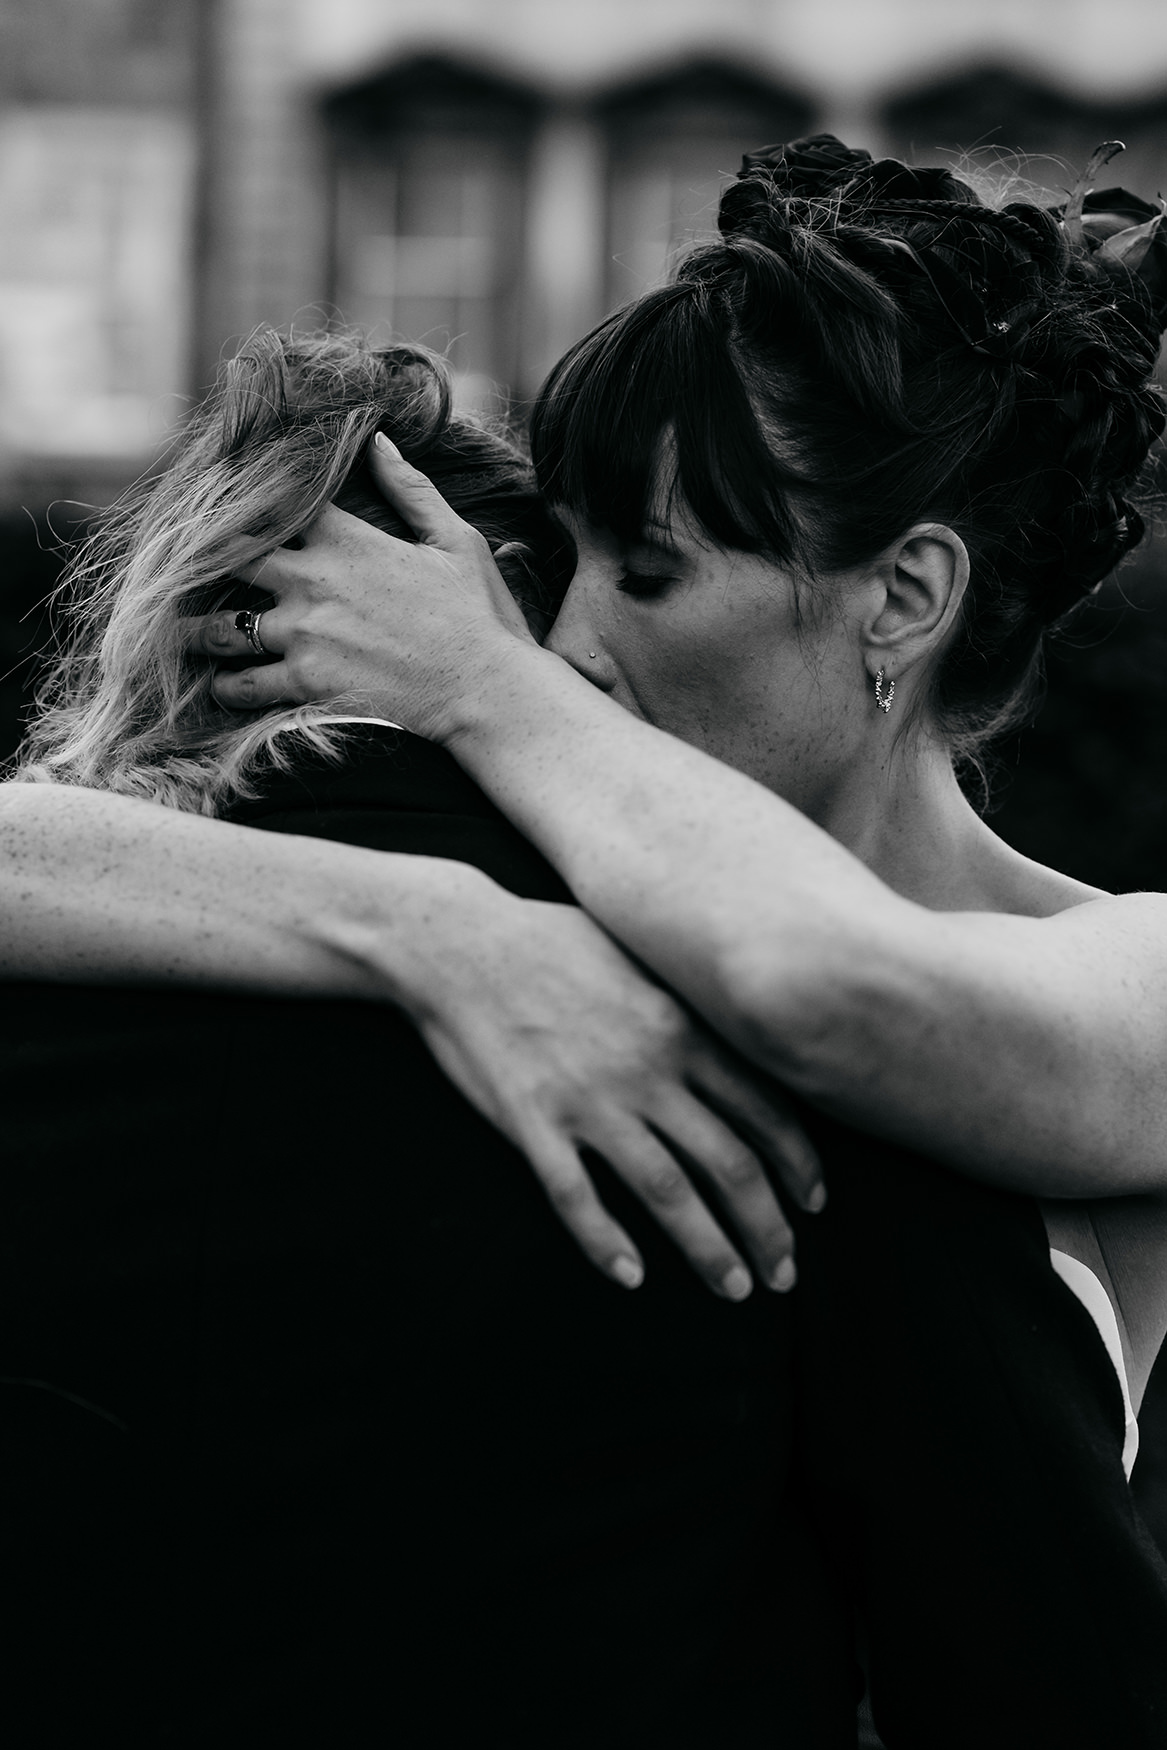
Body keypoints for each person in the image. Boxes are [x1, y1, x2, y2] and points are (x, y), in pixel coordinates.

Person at [3, 137, 1167, 1745]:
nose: (562, 637)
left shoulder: (1108, 970)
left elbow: (837, 987)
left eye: (651, 571)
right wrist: (429, 923)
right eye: (557, 564)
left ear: (905, 598)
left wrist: (483, 689)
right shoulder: (551, 917)